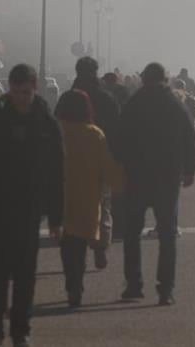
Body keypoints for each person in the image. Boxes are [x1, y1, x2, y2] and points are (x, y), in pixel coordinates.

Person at [0, 64, 64, 347]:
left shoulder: (46, 123)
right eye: (17, 91)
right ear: (10, 88)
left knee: (25, 276)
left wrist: (56, 216)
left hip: (29, 211)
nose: (21, 97)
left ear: (35, 89)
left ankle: (21, 330)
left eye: (26, 92)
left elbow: (57, 173)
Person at [115, 62, 195, 306]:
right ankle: (165, 290)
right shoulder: (175, 104)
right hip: (167, 177)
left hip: (137, 176)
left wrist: (122, 166)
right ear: (165, 79)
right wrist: (190, 170)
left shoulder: (133, 104)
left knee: (132, 233)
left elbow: (119, 138)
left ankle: (133, 285)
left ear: (143, 80)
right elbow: (189, 137)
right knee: (167, 233)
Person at [55, 89, 123, 308]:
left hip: (63, 195)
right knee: (81, 242)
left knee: (68, 245)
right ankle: (85, 270)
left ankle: (72, 285)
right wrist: (117, 182)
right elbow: (106, 164)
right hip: (89, 195)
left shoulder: (57, 132)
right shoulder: (95, 134)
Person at [69, 56, 120, 269]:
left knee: (73, 204)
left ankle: (76, 245)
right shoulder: (106, 98)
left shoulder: (68, 98)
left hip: (72, 160)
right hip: (100, 157)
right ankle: (100, 246)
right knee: (103, 204)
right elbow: (117, 130)